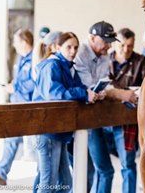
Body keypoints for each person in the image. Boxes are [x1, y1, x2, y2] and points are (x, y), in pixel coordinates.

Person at [74, 21, 137, 193]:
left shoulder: (103, 55)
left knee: (105, 170)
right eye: (105, 41)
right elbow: (90, 86)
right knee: (85, 173)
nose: (109, 46)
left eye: (110, 41)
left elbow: (101, 87)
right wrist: (121, 94)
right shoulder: (80, 54)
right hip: (79, 122)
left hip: (97, 119)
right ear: (92, 38)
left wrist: (104, 92)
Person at [32, 32, 98, 193]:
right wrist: (84, 94)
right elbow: (54, 93)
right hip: (47, 130)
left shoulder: (68, 67)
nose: (73, 51)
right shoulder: (51, 66)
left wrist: (91, 92)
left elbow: (78, 87)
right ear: (57, 47)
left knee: (64, 183)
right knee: (49, 183)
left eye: (76, 47)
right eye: (68, 47)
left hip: (59, 131)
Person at [97, 28, 145, 193]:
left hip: (127, 121)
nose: (126, 50)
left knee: (127, 164)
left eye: (130, 46)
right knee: (102, 167)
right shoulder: (104, 60)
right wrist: (124, 92)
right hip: (102, 120)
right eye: (123, 46)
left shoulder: (141, 61)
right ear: (115, 44)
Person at [0, 29, 35, 186]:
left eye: (16, 42)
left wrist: (15, 88)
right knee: (11, 140)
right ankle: (1, 174)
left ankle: (50, 179)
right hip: (18, 107)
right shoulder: (21, 59)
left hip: (28, 109)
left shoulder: (34, 60)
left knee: (36, 147)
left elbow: (33, 83)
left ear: (24, 42)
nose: (14, 45)